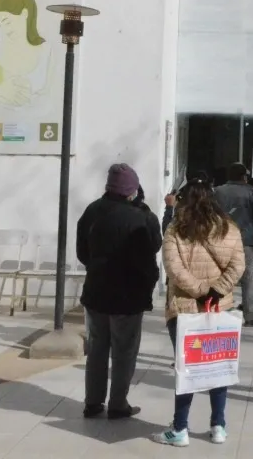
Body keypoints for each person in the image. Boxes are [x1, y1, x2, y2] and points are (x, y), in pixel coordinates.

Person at [155, 181, 246, 447]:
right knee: (219, 366)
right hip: (220, 308)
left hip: (185, 309)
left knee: (187, 369)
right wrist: (216, 292)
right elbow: (238, 265)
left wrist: (200, 291)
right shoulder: (229, 228)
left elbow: (173, 268)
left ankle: (180, 428)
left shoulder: (176, 229)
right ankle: (218, 425)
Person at [75, 164, 162, 419]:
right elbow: (153, 250)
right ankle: (117, 403)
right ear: (132, 190)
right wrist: (149, 284)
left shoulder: (92, 210)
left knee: (97, 349)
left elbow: (82, 252)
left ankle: (93, 402)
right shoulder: (141, 217)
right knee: (124, 351)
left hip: (96, 292)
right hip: (128, 296)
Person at [213, 162, 253, 327]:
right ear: (244, 176)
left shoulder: (217, 192)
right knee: (248, 279)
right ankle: (250, 316)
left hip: (221, 240)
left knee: (222, 277)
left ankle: (221, 313)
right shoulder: (252, 193)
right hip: (246, 241)